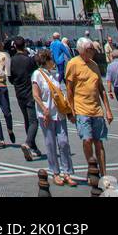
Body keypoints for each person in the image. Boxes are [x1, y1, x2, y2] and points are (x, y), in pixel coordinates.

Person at [65, 36, 114, 179]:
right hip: (81, 109)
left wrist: (108, 111)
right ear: (81, 51)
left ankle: (104, 175)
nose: (93, 51)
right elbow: (69, 89)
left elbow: (101, 88)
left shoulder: (94, 65)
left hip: (96, 110)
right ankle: (92, 167)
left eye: (92, 49)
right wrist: (71, 111)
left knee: (99, 143)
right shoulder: (73, 64)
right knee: (87, 140)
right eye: (90, 49)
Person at [31, 47, 77, 187]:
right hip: (46, 115)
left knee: (63, 142)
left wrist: (69, 111)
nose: (54, 61)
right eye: (51, 59)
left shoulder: (56, 74)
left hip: (59, 114)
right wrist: (44, 109)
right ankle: (55, 173)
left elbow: (61, 94)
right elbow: (35, 95)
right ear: (46, 61)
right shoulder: (37, 75)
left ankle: (67, 172)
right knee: (50, 144)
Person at [8, 37, 42, 162]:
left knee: (27, 120)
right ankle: (28, 143)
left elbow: (10, 79)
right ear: (25, 45)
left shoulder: (11, 61)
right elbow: (36, 72)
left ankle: (33, 146)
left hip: (19, 93)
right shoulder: (29, 60)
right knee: (34, 121)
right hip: (30, 93)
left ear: (15, 46)